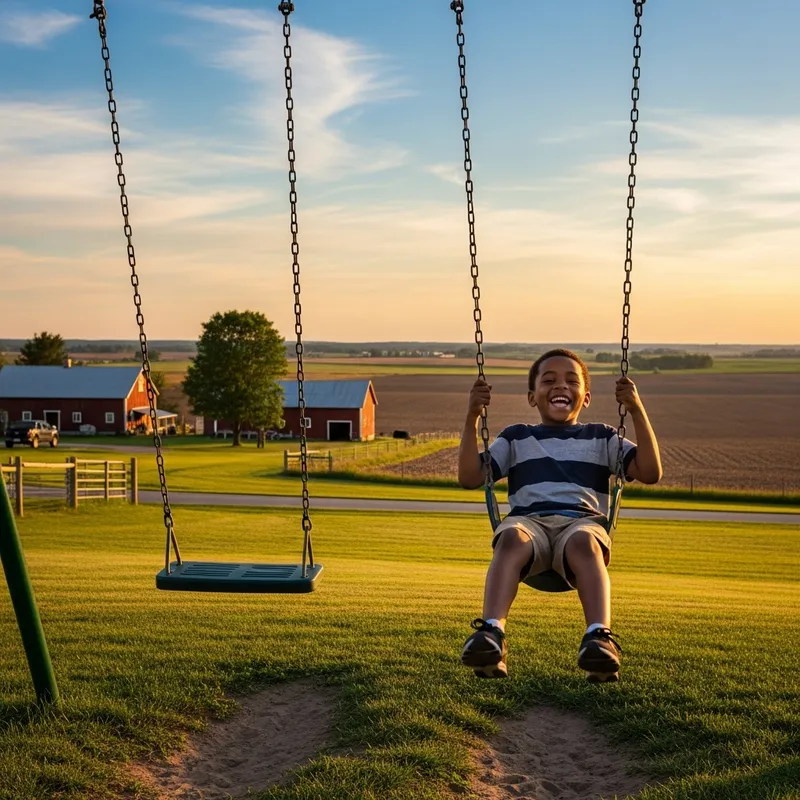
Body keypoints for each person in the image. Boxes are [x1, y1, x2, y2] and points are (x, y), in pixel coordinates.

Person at [457, 348, 662, 682]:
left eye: (571, 380)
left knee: (584, 542)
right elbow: (469, 477)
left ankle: (599, 637)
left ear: (586, 397)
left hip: (581, 523)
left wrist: (636, 409)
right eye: (548, 380)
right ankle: (492, 633)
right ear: (532, 396)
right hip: (529, 523)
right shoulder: (516, 437)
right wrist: (471, 417)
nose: (560, 386)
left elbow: (651, 472)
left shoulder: (604, 436)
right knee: (510, 537)